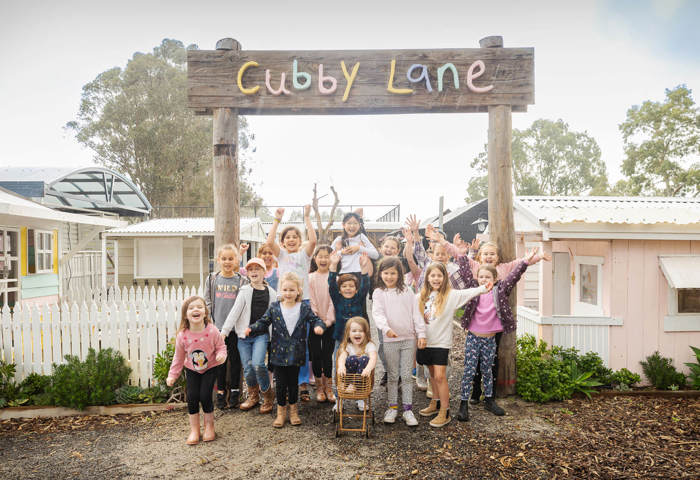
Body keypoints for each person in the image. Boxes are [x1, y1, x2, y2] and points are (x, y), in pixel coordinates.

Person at [437, 232, 550, 405]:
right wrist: (444, 242)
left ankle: (490, 395)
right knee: (473, 362)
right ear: (480, 256)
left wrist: (539, 257)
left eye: (492, 254)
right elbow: (460, 257)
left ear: (497, 258)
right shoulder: (475, 267)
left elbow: (520, 265)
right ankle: (474, 392)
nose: (489, 257)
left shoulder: (504, 270)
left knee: (491, 359)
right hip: (477, 324)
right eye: (485, 254)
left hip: (494, 323)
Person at [456, 248, 538, 421]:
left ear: (495, 280)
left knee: (487, 370)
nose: (484, 280)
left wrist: (525, 262)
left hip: (490, 340)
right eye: (481, 277)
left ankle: (489, 400)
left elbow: (514, 276)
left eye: (488, 278)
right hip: (473, 338)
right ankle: (463, 404)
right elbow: (464, 272)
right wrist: (462, 254)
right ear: (477, 278)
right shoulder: (473, 290)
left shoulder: (500, 291)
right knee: (469, 371)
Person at [244, 272, 325, 428]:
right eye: (285, 290)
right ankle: (281, 413)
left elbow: (315, 320)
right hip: (279, 354)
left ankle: (294, 412)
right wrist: (251, 329)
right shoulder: (275, 308)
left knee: (293, 384)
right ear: (281, 291)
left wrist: (319, 326)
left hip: (295, 353)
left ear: (298, 291)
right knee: (280, 384)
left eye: (292, 290)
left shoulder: (303, 307)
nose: (288, 293)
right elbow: (263, 321)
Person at [416, 263, 491, 427]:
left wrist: (483, 288)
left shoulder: (451, 296)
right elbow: (415, 318)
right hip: (424, 342)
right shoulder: (420, 297)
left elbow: (468, 292)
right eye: (433, 275)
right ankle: (435, 403)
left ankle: (445, 411)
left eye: (439, 275)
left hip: (441, 343)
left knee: (440, 376)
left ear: (444, 278)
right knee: (431, 374)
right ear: (427, 278)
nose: (436, 279)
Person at [264, 205, 317, 401]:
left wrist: (307, 217)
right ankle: (284, 383)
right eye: (288, 237)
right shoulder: (282, 255)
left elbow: (314, 240)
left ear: (299, 240)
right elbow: (269, 242)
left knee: (302, 345)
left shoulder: (305, 255)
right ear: (283, 241)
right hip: (284, 303)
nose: (292, 239)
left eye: (295, 236)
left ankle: (302, 383)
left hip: (302, 303)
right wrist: (277, 220)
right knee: (283, 343)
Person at [371, 256, 426, 427]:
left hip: (408, 339)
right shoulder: (378, 293)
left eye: (393, 273)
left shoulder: (408, 291)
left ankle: (408, 410)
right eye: (386, 273)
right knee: (393, 375)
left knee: (406, 376)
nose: (389, 277)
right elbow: (377, 313)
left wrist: (421, 334)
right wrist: (386, 328)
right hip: (390, 340)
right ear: (380, 274)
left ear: (399, 274)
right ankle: (392, 408)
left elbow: (416, 314)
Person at [167, 296, 227, 445]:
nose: (196, 310)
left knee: (205, 395)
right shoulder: (183, 336)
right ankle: (194, 430)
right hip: (192, 369)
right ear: (185, 314)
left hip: (210, 368)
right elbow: (179, 357)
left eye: (199, 307)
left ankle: (209, 427)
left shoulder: (212, 331)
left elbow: (221, 347)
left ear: (205, 312)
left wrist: (221, 355)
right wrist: (172, 375)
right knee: (192, 397)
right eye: (191, 308)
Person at [220, 258, 276, 414]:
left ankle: (267, 395)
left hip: (261, 335)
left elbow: (275, 315)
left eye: (258, 269)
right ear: (247, 273)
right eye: (251, 269)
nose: (254, 272)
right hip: (243, 336)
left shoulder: (272, 293)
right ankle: (253, 396)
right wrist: (224, 331)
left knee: (258, 363)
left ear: (264, 272)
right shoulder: (244, 291)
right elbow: (235, 312)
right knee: (248, 367)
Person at [204, 243, 247, 409]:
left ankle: (235, 391)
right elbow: (207, 301)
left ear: (236, 260)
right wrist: (211, 323)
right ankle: (221, 392)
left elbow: (243, 305)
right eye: (224, 258)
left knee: (235, 361)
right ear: (218, 260)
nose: (227, 262)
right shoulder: (212, 279)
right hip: (217, 328)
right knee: (219, 361)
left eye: (231, 258)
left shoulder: (241, 280)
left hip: (235, 329)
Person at [308, 245, 336, 403]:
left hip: (330, 323)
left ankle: (329, 388)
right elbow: (311, 302)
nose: (324, 259)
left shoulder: (334, 277)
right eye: (321, 256)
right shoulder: (310, 278)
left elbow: (334, 301)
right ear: (315, 258)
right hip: (315, 323)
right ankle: (319, 387)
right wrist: (318, 320)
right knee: (316, 355)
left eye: (327, 256)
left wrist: (328, 320)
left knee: (327, 355)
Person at [336, 316, 377, 410]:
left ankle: (360, 397)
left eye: (361, 331)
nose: (357, 333)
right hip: (347, 378)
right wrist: (341, 366)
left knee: (364, 359)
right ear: (348, 333)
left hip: (362, 380)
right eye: (354, 331)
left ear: (366, 333)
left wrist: (368, 369)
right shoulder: (347, 346)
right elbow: (342, 357)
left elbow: (373, 358)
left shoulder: (369, 345)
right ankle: (340, 400)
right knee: (352, 359)